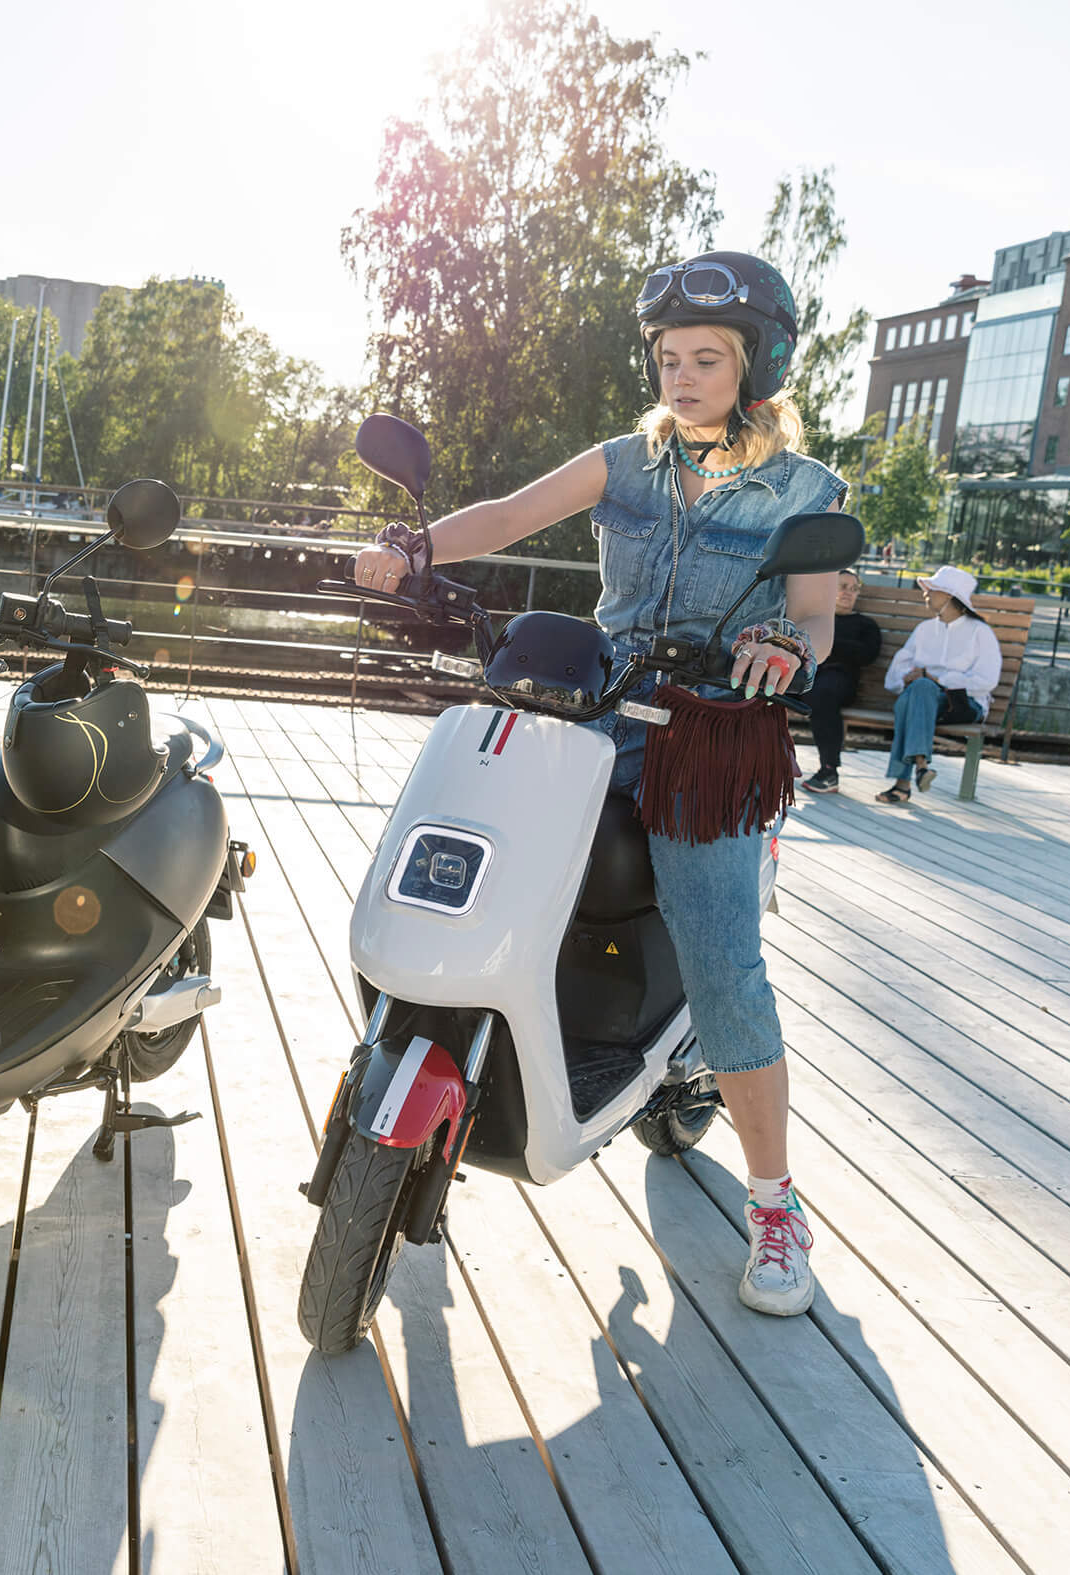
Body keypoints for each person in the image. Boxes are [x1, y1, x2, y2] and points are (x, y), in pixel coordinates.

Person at [352, 250, 842, 1316]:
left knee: (722, 963)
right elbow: (509, 514)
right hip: (593, 713)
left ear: (757, 368)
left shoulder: (805, 490)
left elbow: (814, 612)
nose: (681, 375)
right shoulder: (626, 459)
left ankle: (773, 1203)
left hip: (711, 737)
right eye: (669, 357)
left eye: (706, 358)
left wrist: (782, 647)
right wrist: (415, 546)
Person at [874, 564, 1001, 806]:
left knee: (916, 694)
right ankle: (920, 767)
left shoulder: (980, 632)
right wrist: (906, 678)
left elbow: (986, 680)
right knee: (915, 692)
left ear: (951, 597)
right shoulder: (924, 630)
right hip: (922, 701)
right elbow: (895, 675)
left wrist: (938, 680)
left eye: (933, 589)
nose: (926, 592)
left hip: (963, 705)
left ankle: (904, 782)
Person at [799, 569, 882, 793]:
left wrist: (828, 643)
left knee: (822, 693)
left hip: (838, 681)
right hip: (806, 676)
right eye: (843, 587)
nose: (848, 593)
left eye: (854, 589)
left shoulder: (865, 625)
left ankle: (829, 770)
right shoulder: (816, 620)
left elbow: (866, 654)